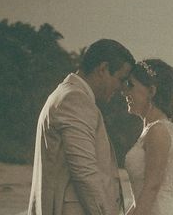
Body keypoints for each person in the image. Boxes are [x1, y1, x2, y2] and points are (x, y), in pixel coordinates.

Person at [28, 39, 135, 215]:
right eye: (121, 79)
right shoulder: (75, 99)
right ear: (103, 69)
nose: (122, 88)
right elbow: (84, 173)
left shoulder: (66, 94)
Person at [122, 58, 173, 215]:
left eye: (131, 85)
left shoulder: (158, 131)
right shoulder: (152, 129)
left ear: (151, 91)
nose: (125, 91)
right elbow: (142, 196)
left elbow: (151, 188)